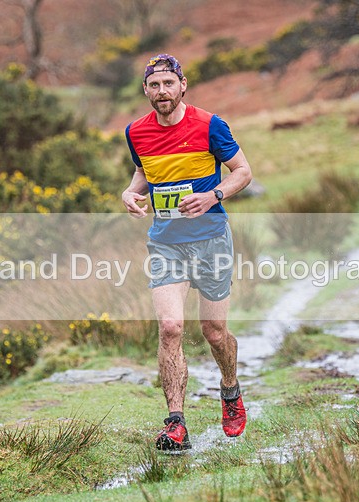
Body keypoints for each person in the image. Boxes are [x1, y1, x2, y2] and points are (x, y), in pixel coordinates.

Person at [121, 54, 253, 451]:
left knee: (213, 332)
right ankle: (175, 423)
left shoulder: (210, 125)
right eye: (154, 85)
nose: (162, 92)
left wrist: (212, 196)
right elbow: (146, 171)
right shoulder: (135, 132)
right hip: (165, 242)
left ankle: (230, 391)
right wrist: (131, 192)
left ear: (183, 86)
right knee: (171, 327)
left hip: (211, 238)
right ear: (146, 90)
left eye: (168, 84)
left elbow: (243, 172)